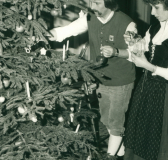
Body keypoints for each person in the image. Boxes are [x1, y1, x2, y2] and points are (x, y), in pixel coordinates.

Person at [48, 0, 137, 159]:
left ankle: (109, 157)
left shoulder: (128, 24)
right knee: (106, 120)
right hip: (101, 78)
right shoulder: (89, 17)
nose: (91, 6)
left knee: (116, 123)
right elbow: (67, 31)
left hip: (121, 80)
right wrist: (45, 34)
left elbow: (136, 53)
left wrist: (116, 51)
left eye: (96, 2)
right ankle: (121, 151)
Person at [124, 0, 168, 160]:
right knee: (140, 134)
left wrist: (148, 66)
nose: (152, 13)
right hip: (146, 87)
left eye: (156, 7)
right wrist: (134, 41)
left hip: (164, 93)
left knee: (157, 139)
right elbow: (145, 45)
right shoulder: (157, 25)